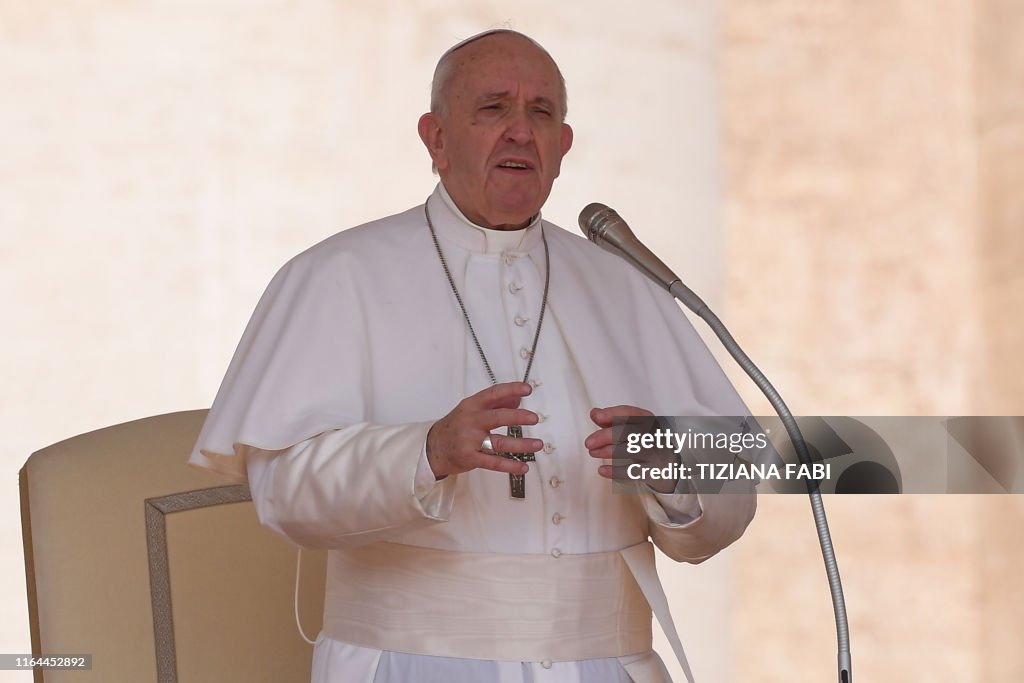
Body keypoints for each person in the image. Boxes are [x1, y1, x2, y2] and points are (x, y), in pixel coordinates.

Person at [190, 28, 758, 683]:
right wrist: (427, 451)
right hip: (407, 666)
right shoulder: (337, 275)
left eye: (541, 113)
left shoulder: (627, 285)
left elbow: (731, 503)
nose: (520, 130)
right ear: (435, 138)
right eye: (493, 108)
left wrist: (673, 465)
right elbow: (285, 491)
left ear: (563, 146)